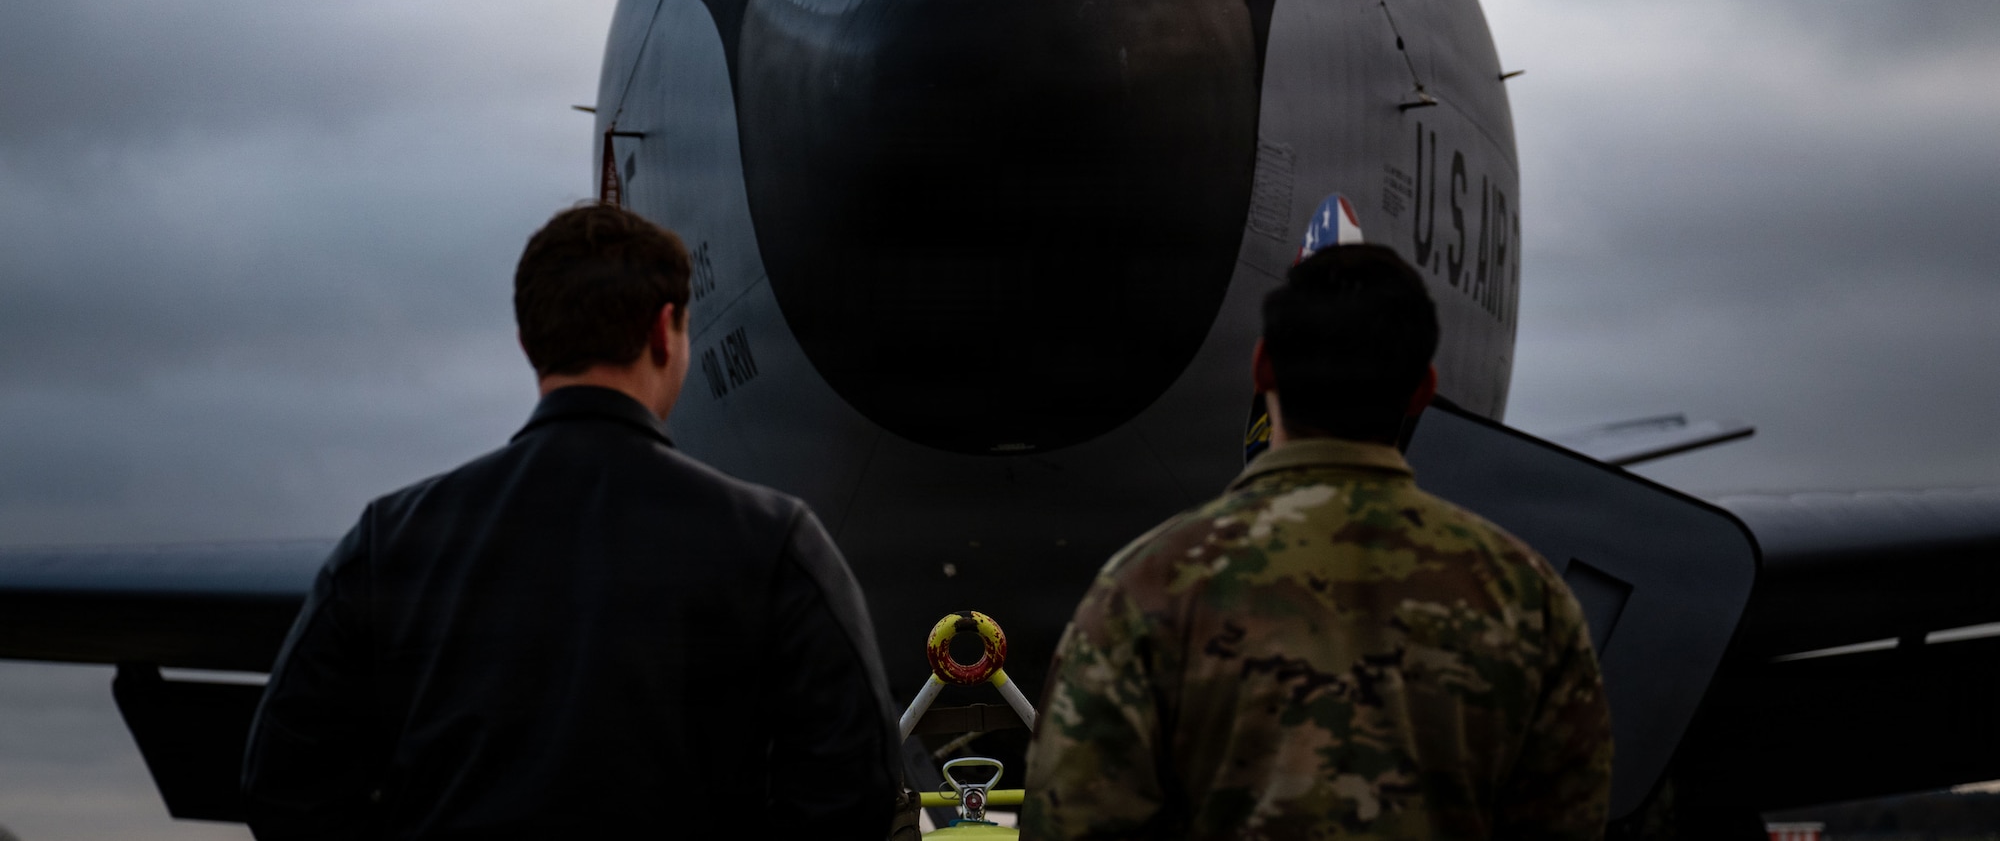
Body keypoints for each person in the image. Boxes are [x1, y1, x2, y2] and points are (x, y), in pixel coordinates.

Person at [242, 203, 900, 838]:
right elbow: (855, 786)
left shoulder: (389, 540)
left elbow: (283, 779)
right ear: (662, 331)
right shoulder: (775, 541)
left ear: (530, 341)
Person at [1023, 243, 1613, 839]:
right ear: (1422, 391)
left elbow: (1073, 819)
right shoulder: (1525, 595)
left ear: (1262, 370)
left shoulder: (1147, 585)